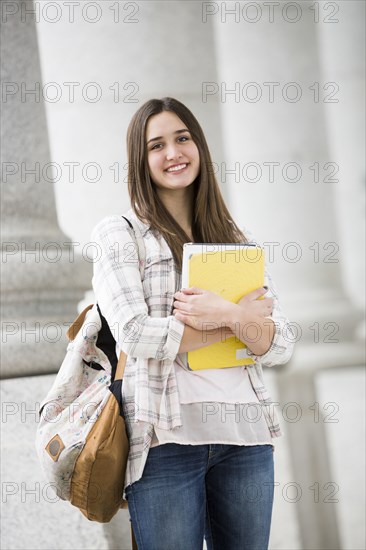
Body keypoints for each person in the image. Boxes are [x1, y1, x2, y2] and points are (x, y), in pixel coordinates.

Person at [91, 97, 294, 550]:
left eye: (182, 138)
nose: (173, 153)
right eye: (156, 145)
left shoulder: (236, 240)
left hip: (245, 439)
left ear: (199, 145)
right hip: (165, 443)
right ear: (140, 161)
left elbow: (281, 344)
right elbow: (136, 332)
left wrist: (226, 313)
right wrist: (240, 323)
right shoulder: (120, 234)